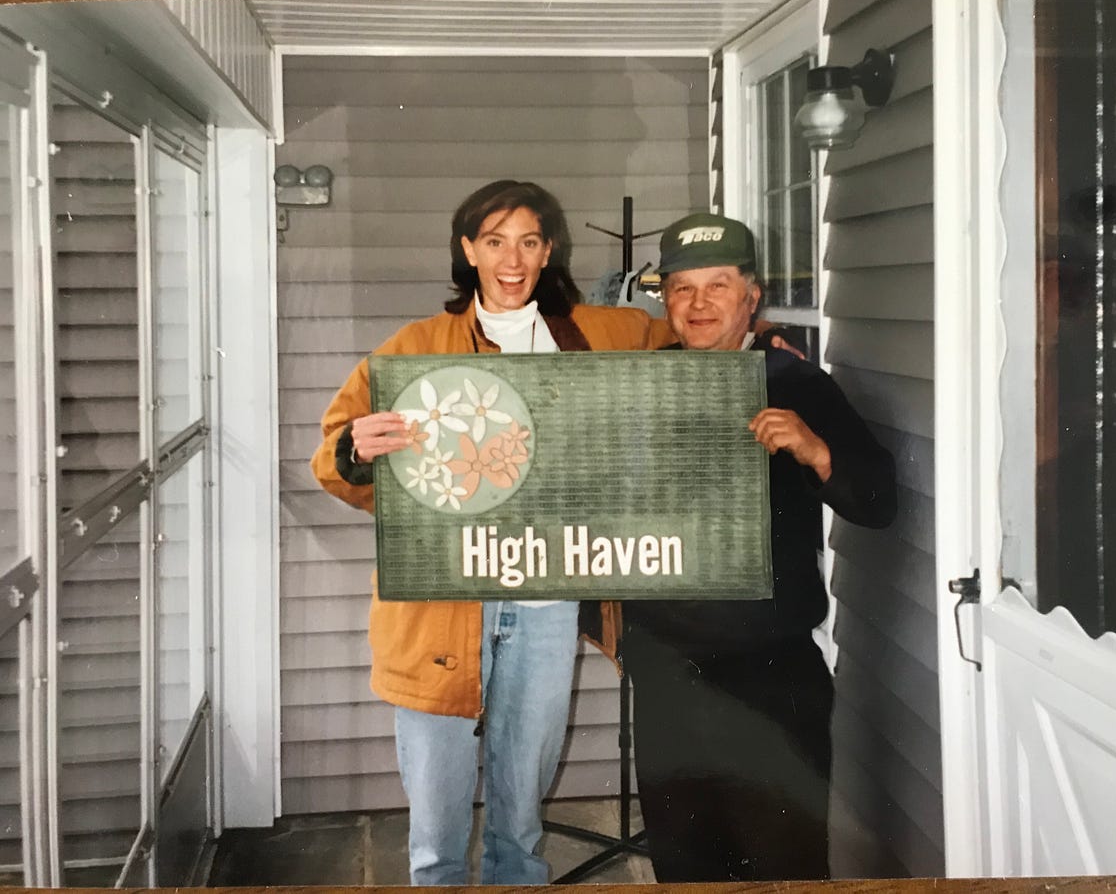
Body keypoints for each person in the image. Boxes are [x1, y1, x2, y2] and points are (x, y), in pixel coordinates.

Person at [310, 179, 673, 885]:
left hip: (547, 598)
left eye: (529, 241)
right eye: (496, 241)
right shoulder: (417, 347)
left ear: (549, 251)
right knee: (437, 807)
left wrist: (755, 338)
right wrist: (355, 451)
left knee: (523, 801)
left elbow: (688, 341)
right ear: (468, 249)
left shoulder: (596, 334)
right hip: (443, 604)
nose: (513, 259)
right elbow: (334, 453)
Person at [621, 213, 897, 882]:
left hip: (771, 677)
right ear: (665, 300)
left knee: (785, 865)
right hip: (667, 675)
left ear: (751, 296)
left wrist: (815, 449)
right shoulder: (634, 385)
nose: (698, 304)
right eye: (681, 288)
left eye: (717, 285)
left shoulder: (799, 384)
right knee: (685, 866)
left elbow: (877, 502)